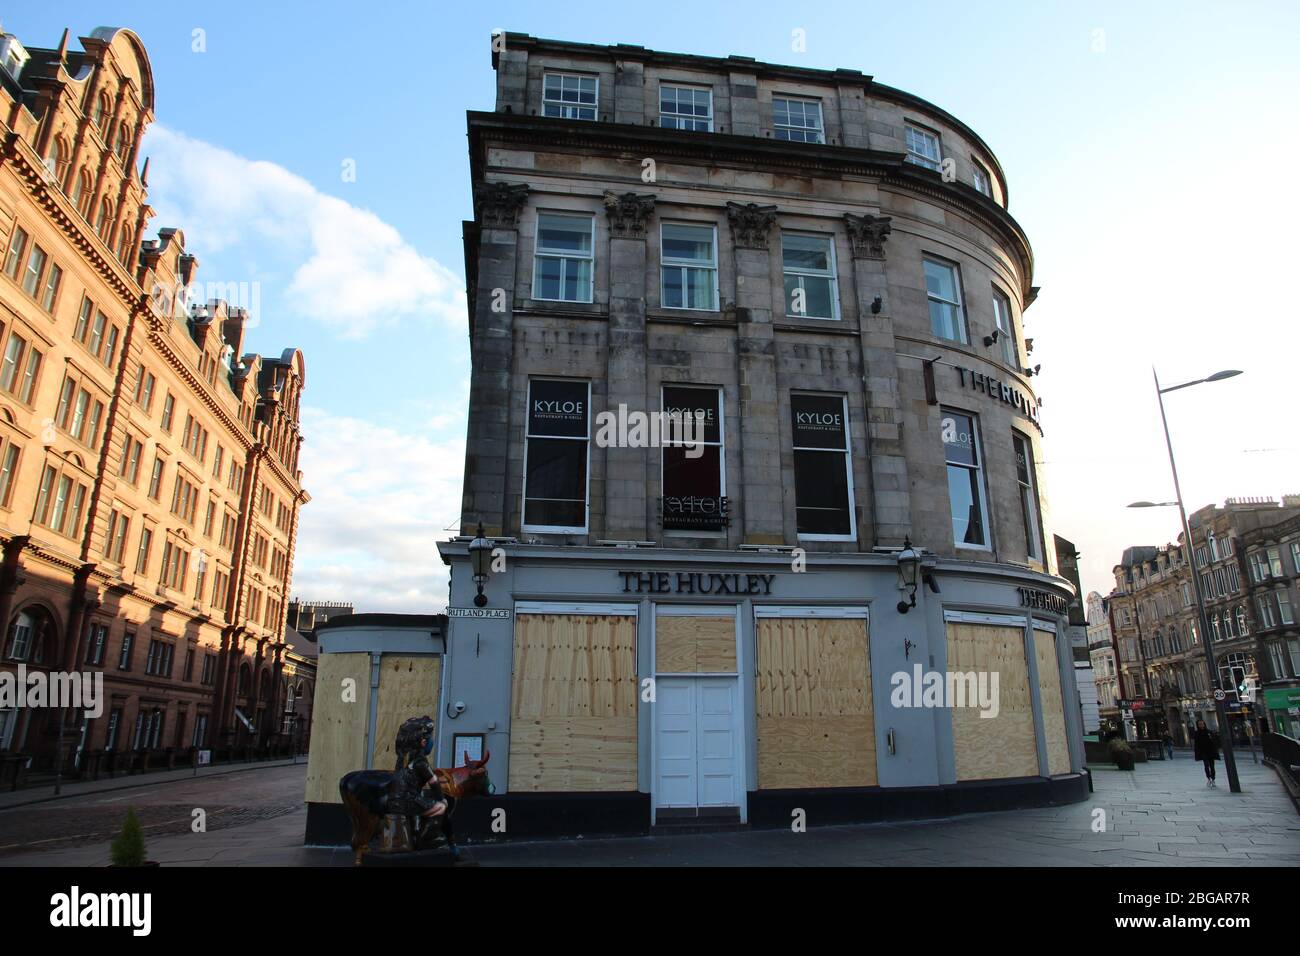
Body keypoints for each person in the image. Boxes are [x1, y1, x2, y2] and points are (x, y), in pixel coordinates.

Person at [388, 715, 449, 842]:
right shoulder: (421, 762)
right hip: (408, 802)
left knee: (420, 801)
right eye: (430, 739)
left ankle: (414, 832)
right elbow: (434, 782)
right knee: (440, 807)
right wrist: (441, 799)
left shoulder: (401, 759)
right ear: (423, 743)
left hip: (394, 801)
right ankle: (425, 838)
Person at [1192, 718, 1219, 788]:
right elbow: (1196, 744)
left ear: (1204, 724)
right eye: (1199, 724)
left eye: (1202, 724)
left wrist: (1215, 750)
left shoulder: (1209, 732)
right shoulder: (1197, 733)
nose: (1201, 725)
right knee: (1206, 765)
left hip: (1210, 751)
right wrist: (1197, 751)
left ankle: (1213, 779)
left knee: (1212, 766)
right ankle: (1208, 778)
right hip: (1203, 752)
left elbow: (1214, 741)